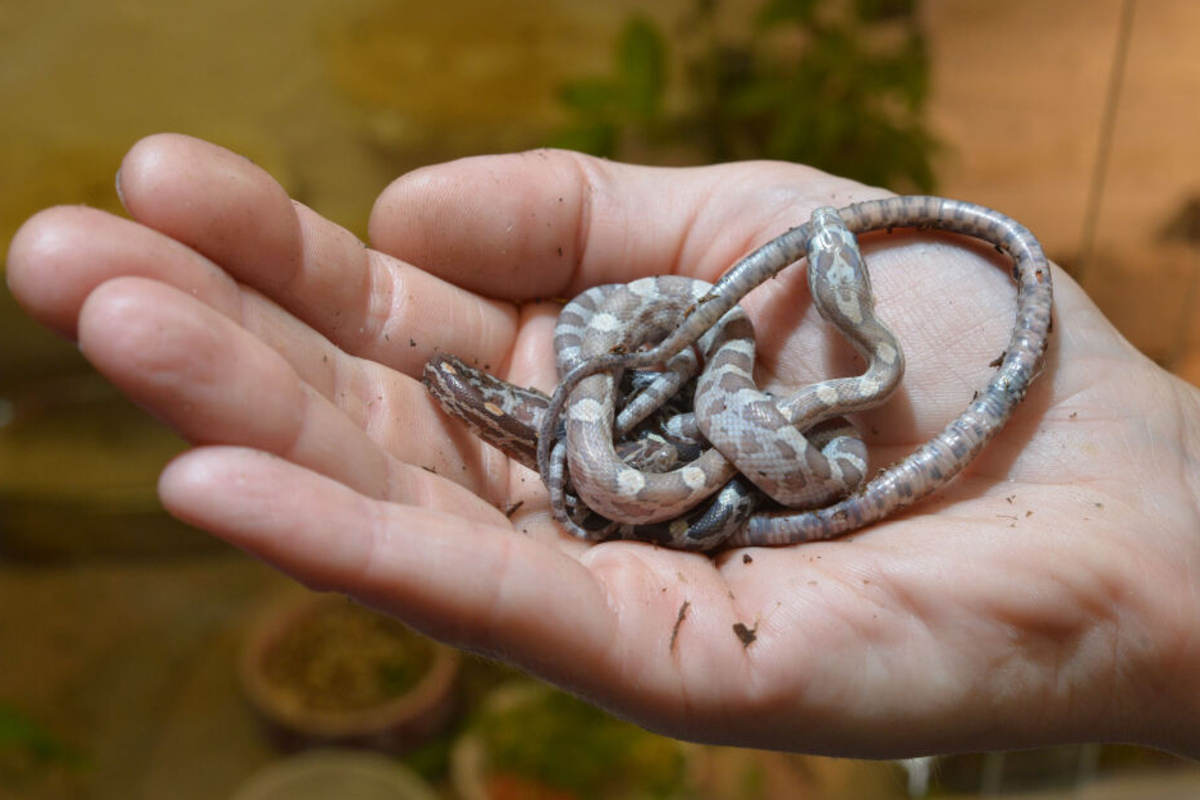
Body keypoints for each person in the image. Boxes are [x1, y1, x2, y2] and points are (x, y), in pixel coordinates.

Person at [7, 134, 1200, 760]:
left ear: (842, 305)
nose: (829, 259)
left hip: (696, 422)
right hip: (664, 414)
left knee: (729, 409)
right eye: (833, 259)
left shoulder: (844, 368)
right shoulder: (722, 364)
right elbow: (661, 401)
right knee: (688, 411)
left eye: (829, 265)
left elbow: (720, 401)